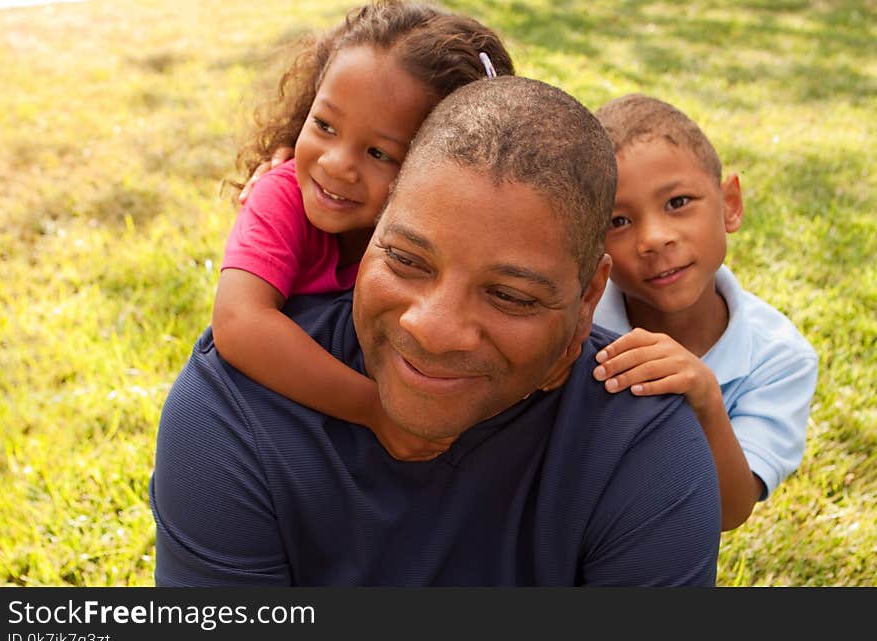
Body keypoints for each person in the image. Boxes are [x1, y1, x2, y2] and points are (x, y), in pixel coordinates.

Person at [149, 75, 721, 586]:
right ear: (374, 227)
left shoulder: (643, 450)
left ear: (589, 294)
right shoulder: (233, 414)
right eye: (405, 259)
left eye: (510, 295)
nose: (434, 330)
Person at [213, 0, 514, 448]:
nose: (336, 165)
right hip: (268, 441)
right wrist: (373, 409)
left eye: (378, 153)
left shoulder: (450, 235)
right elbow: (238, 322)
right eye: (325, 125)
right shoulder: (282, 196)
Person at [590, 93, 818, 531]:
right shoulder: (574, 321)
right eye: (618, 221)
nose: (654, 239)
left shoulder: (779, 359)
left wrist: (706, 399)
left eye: (677, 203)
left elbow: (730, 513)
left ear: (730, 203)